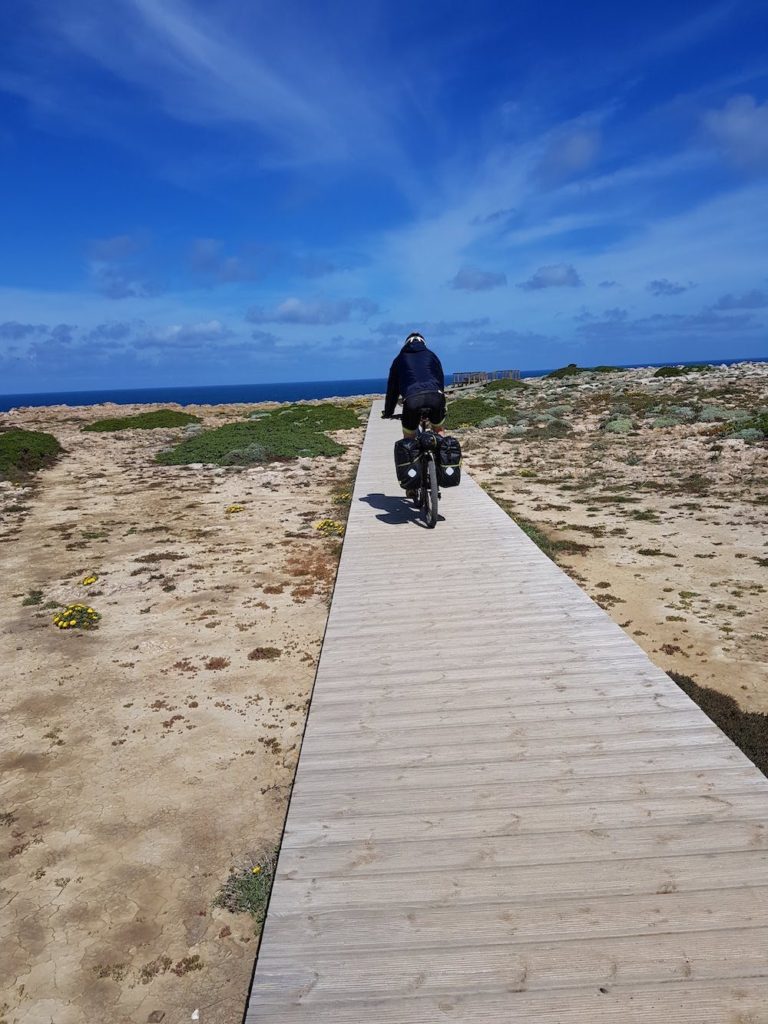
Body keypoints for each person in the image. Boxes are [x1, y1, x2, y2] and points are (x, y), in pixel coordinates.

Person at [382, 332, 446, 438]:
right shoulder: (431, 355)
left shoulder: (399, 359)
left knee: (409, 435)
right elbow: (440, 380)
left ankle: (412, 450)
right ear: (424, 343)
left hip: (412, 398)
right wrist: (441, 400)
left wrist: (388, 412)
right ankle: (442, 450)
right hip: (435, 396)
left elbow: (392, 389)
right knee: (438, 429)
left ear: (406, 344)